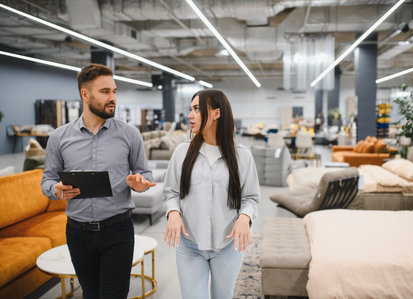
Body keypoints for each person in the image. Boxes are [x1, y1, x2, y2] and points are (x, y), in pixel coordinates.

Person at [41, 63, 156, 299]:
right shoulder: (58, 138)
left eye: (114, 91)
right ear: (85, 94)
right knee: (90, 295)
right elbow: (47, 180)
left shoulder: (129, 134)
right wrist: (56, 189)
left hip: (118, 230)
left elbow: (146, 174)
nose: (113, 98)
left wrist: (140, 183)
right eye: (105, 92)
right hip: (78, 233)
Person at [163, 89, 260, 299]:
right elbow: (171, 192)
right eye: (190, 109)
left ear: (216, 113)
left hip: (227, 246)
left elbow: (251, 198)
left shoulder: (242, 155)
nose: (190, 115)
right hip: (190, 245)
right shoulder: (182, 152)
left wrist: (245, 217)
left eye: (197, 109)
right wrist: (173, 213)